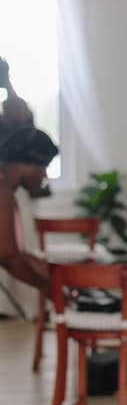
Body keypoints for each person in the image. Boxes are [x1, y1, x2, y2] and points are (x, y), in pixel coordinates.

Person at [0, 126, 58, 296]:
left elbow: (18, 254)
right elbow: (8, 257)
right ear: (26, 163)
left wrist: (63, 277)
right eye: (44, 167)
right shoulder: (2, 191)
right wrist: (48, 287)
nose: (44, 176)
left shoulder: (7, 191)